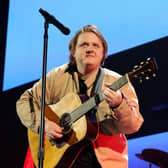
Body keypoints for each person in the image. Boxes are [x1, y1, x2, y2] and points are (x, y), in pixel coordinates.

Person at [16, 25, 144, 168]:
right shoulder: (57, 76)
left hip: (102, 160)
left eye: (95, 45)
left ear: (103, 54)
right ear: (73, 52)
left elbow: (133, 125)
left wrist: (119, 105)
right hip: (61, 158)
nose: (90, 49)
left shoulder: (116, 82)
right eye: (84, 45)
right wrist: (43, 124)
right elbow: (25, 101)